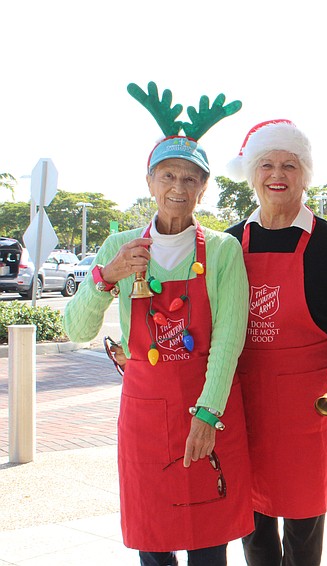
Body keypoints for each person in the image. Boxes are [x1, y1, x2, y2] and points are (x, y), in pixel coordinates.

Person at [64, 82, 253, 566]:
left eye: (191, 179)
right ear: (149, 182)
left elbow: (229, 340)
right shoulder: (119, 248)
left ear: (204, 188)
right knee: (154, 543)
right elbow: (77, 330)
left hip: (206, 408)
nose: (178, 188)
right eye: (168, 175)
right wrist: (106, 277)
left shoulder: (224, 251)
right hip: (146, 415)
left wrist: (207, 414)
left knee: (209, 544)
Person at [224, 119, 327, 566]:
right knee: (251, 523)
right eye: (267, 164)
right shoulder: (229, 243)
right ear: (252, 174)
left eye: (289, 165)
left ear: (304, 175)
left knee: (304, 521)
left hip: (310, 402)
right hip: (245, 400)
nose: (278, 174)